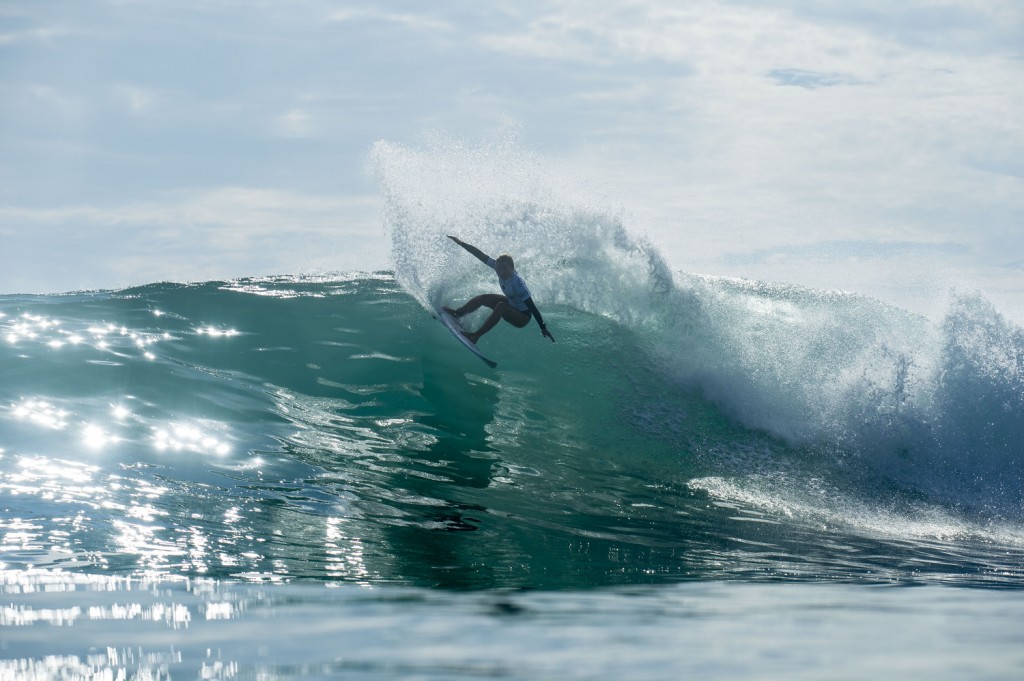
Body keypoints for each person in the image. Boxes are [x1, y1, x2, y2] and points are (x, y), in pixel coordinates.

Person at [444, 235, 555, 345]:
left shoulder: (518, 284)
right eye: (498, 268)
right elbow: (480, 255)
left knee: (501, 306)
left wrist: (543, 327)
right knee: (484, 298)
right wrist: (461, 243)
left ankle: (475, 336)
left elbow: (532, 308)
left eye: (504, 269)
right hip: (512, 304)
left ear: (512, 268)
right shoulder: (497, 266)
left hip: (522, 317)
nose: (501, 272)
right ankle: (458, 314)